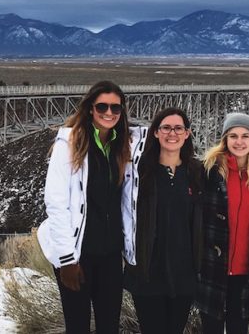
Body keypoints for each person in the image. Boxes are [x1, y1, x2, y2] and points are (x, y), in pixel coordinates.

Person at [37, 80, 143, 334]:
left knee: (109, 326)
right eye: (102, 107)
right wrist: (66, 260)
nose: (109, 113)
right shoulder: (70, 145)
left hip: (110, 253)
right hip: (77, 253)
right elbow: (56, 203)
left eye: (115, 108)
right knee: (78, 326)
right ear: (90, 108)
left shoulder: (124, 145)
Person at [123, 107, 204, 334]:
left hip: (183, 272)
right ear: (156, 132)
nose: (172, 133)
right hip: (148, 271)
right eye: (166, 127)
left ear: (187, 134)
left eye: (179, 128)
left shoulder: (197, 172)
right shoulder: (138, 171)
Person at [197, 113, 249, 334]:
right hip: (212, 267)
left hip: (246, 270)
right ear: (225, 139)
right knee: (211, 328)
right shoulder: (209, 171)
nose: (239, 141)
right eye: (233, 135)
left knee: (239, 328)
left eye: (245, 135)